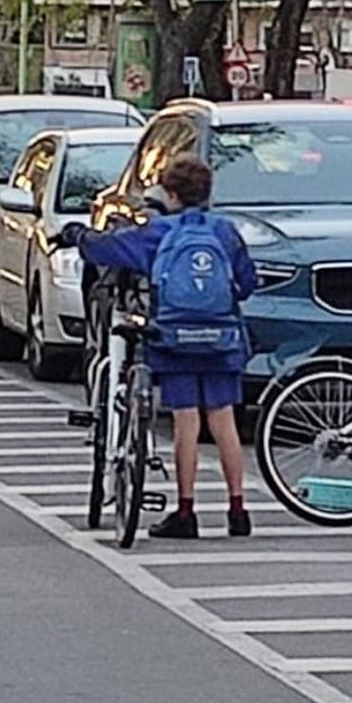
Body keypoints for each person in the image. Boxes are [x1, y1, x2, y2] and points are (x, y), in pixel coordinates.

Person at [56, 156, 258, 539]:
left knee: (187, 420)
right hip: (221, 337)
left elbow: (107, 250)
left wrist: (77, 235)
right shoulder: (225, 232)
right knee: (223, 419)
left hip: (174, 336)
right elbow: (247, 283)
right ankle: (237, 509)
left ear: (170, 193)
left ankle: (186, 511)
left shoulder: (158, 232)